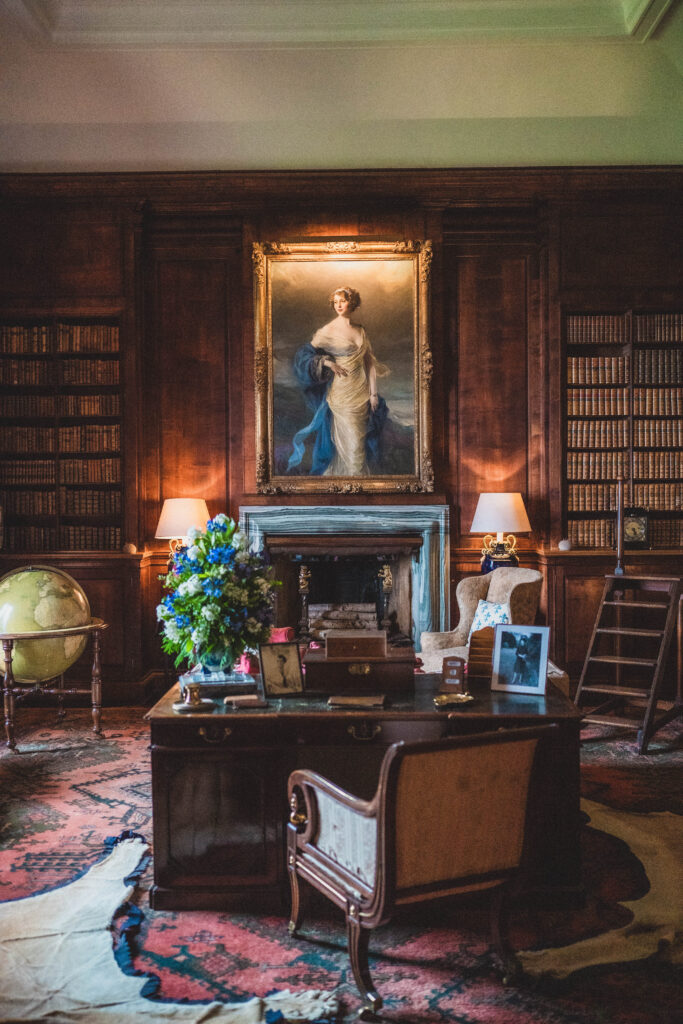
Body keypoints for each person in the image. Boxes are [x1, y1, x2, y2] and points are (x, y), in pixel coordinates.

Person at [287, 287, 389, 476]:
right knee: (352, 447)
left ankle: (355, 485)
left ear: (352, 302)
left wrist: (373, 394)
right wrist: (326, 362)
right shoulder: (328, 330)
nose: (338, 305)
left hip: (362, 393)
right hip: (341, 395)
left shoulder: (360, 330)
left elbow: (369, 364)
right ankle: (352, 485)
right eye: (335, 301)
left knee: (359, 445)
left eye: (342, 300)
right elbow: (303, 355)